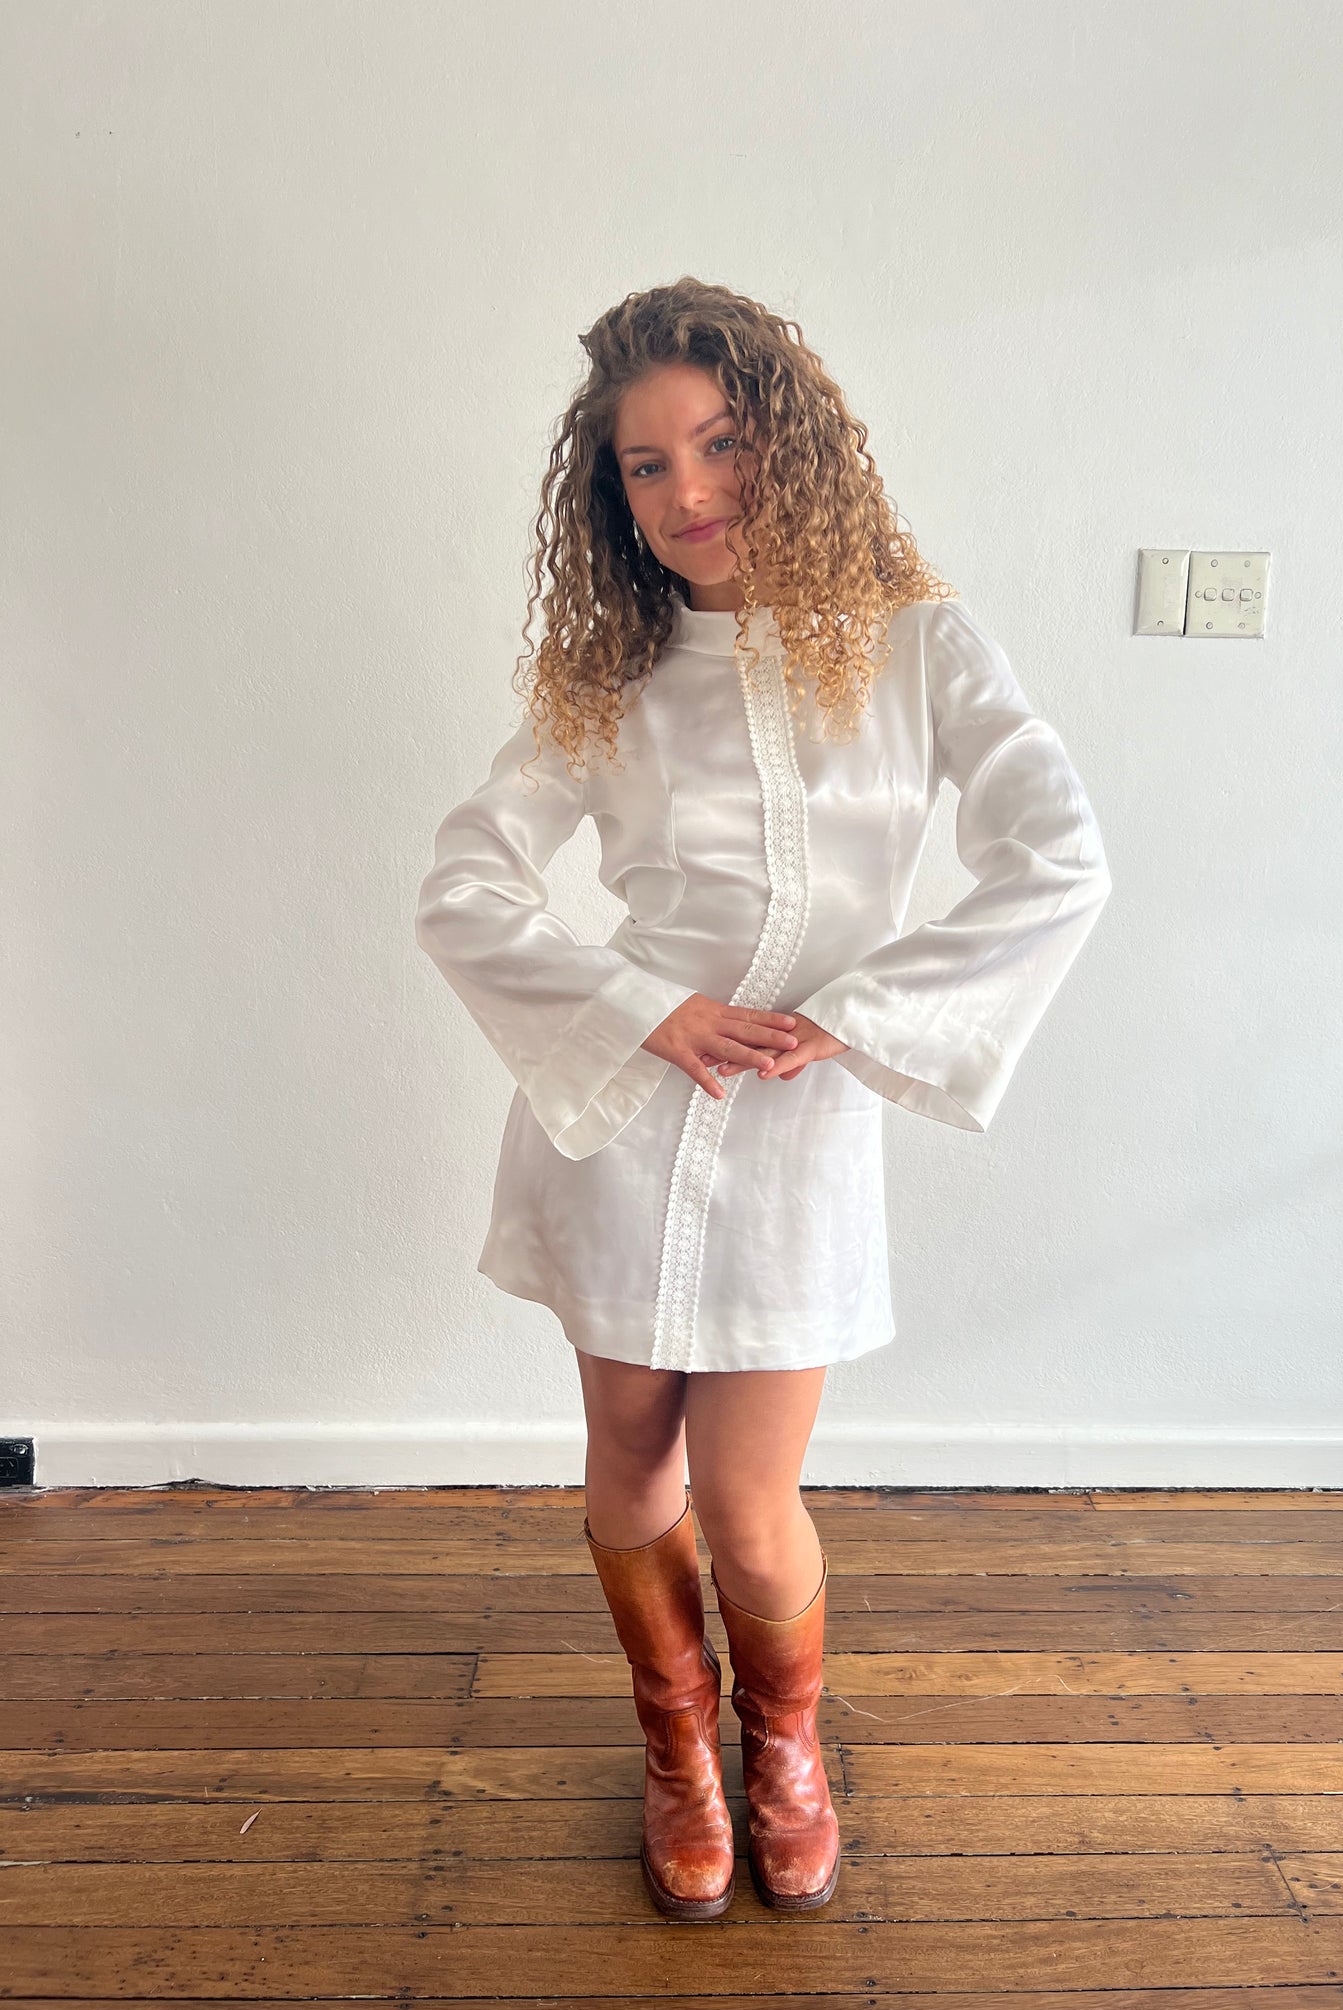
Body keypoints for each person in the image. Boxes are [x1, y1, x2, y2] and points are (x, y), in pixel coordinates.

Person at [414, 277, 1113, 1922]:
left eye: (721, 444)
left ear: (789, 443)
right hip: (621, 1119)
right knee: (629, 1460)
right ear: (612, 494)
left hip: (801, 1132)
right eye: (646, 465)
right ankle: (677, 1750)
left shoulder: (920, 646)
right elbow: (464, 885)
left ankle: (784, 1747)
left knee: (746, 1494)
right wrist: (641, 1008)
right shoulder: (610, 675)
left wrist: (855, 1018)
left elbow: (1060, 859)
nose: (691, 492)